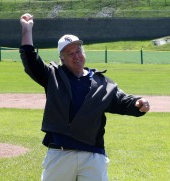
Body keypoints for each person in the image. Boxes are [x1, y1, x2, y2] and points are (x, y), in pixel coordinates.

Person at [19, 13, 150, 181]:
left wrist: (138, 103)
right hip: (60, 153)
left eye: (78, 50)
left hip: (93, 155)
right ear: (62, 58)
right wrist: (26, 29)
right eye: (70, 53)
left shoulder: (103, 84)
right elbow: (30, 60)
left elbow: (123, 101)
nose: (76, 56)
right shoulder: (53, 76)